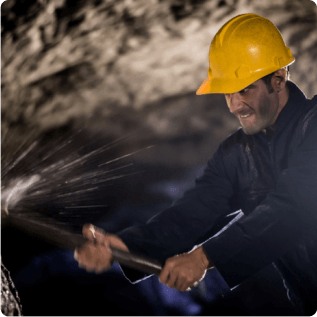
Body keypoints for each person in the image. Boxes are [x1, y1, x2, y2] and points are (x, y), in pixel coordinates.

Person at [74, 13, 317, 316]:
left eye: (244, 90)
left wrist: (203, 257)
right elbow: (192, 214)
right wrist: (125, 247)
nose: (234, 105)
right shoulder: (237, 154)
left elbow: (295, 208)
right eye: (228, 92)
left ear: (278, 80)